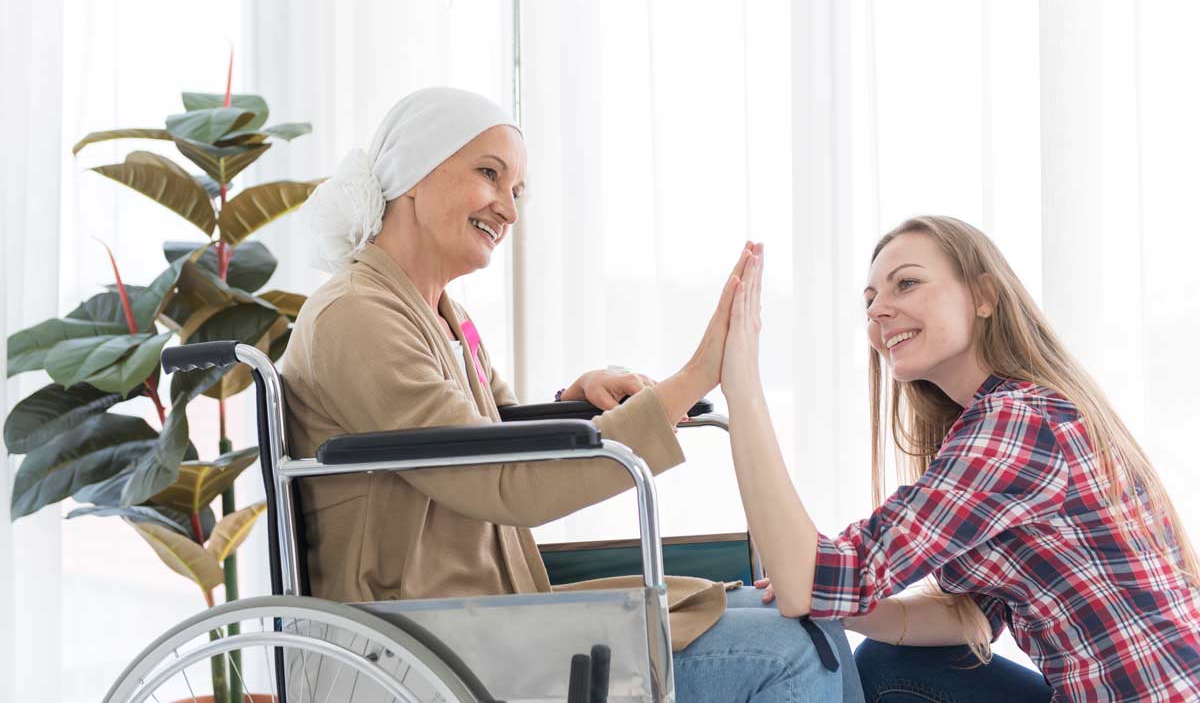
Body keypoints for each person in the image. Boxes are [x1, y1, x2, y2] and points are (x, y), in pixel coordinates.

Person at [282, 86, 864, 702]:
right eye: (489, 175)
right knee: (792, 655)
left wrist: (571, 399)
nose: (508, 210)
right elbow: (503, 481)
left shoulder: (442, 315)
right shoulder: (357, 315)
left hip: (486, 612)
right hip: (415, 645)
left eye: (516, 190)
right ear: (413, 174)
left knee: (811, 619)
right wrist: (696, 375)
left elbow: (492, 435)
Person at [718, 219, 1200, 702]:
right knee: (887, 663)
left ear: (984, 297)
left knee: (875, 662)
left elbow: (814, 578)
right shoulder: (1006, 417)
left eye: (906, 283)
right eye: (870, 301)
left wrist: (742, 387)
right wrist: (831, 603)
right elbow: (971, 617)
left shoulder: (1016, 422)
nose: (878, 310)